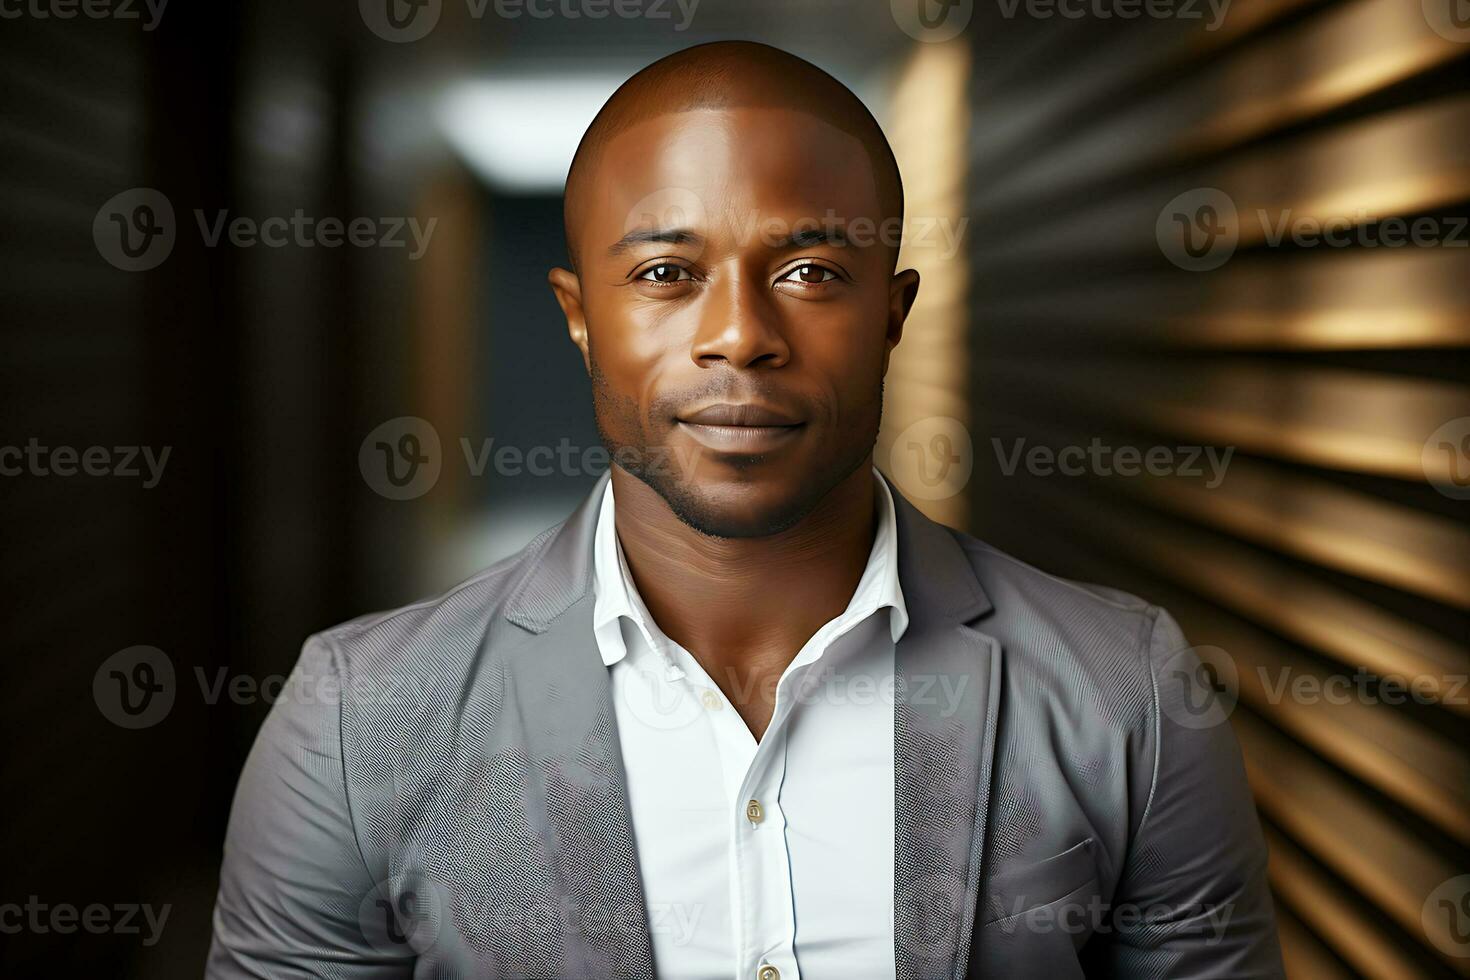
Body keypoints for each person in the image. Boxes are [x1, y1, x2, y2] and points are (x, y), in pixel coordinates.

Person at [207, 40, 1283, 979]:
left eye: (812, 270)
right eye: (669, 271)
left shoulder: (1124, 694)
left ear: (893, 314)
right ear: (579, 319)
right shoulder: (359, 718)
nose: (739, 335)